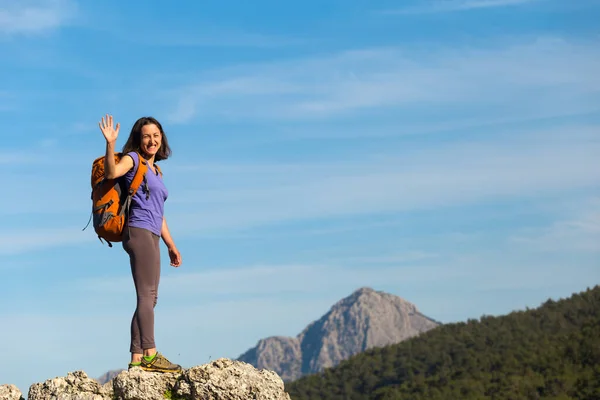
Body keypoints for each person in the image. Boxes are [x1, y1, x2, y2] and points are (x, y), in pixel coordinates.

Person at [98, 114, 183, 373]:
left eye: (156, 136)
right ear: (138, 139)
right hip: (138, 231)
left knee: (150, 297)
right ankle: (150, 354)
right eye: (146, 136)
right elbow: (112, 172)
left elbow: (159, 213)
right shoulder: (133, 159)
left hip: (152, 234)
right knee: (147, 295)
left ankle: (137, 357)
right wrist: (110, 144)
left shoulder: (156, 170)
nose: (152, 140)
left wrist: (171, 244)